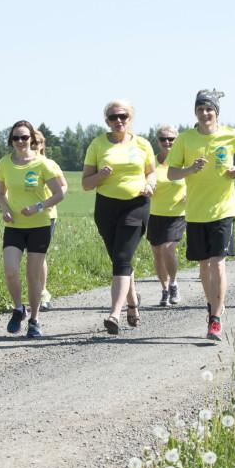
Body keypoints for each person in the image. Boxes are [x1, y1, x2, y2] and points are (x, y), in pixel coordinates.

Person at [167, 90, 235, 339]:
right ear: (195, 112)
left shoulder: (229, 134)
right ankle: (212, 304)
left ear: (216, 112)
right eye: (201, 109)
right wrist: (189, 169)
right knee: (203, 267)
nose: (205, 113)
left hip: (224, 209)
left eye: (209, 109)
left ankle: (215, 319)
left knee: (218, 263)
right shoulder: (185, 139)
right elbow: (171, 174)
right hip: (195, 212)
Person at [82, 100, 156, 335]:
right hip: (106, 208)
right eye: (113, 117)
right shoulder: (97, 144)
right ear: (107, 121)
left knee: (123, 257)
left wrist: (150, 184)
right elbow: (85, 183)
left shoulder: (143, 144)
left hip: (136, 205)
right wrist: (101, 176)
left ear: (130, 118)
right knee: (119, 260)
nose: (119, 121)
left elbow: (151, 172)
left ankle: (114, 314)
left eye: (123, 116)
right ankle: (133, 304)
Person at [0, 121, 65, 338]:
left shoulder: (43, 164)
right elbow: (0, 194)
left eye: (25, 137)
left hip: (40, 225)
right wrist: (5, 209)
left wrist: (38, 207)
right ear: (11, 141)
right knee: (10, 271)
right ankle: (19, 308)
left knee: (33, 276)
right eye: (16, 138)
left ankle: (34, 320)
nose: (20, 142)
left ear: (32, 140)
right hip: (14, 226)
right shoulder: (4, 164)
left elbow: (59, 193)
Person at [147, 124, 187, 307]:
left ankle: (173, 283)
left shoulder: (182, 162)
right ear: (158, 141)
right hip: (155, 214)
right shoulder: (151, 163)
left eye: (171, 139)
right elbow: (144, 180)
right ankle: (164, 289)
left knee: (168, 249)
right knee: (157, 253)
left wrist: (190, 194)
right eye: (163, 139)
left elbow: (197, 180)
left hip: (177, 214)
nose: (167, 142)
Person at [32, 129, 67, 310]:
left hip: (46, 216)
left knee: (39, 256)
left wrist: (50, 202)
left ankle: (42, 293)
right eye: (31, 142)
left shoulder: (49, 163)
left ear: (42, 145)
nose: (33, 146)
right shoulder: (19, 163)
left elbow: (63, 185)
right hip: (22, 216)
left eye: (37, 142)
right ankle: (33, 292)